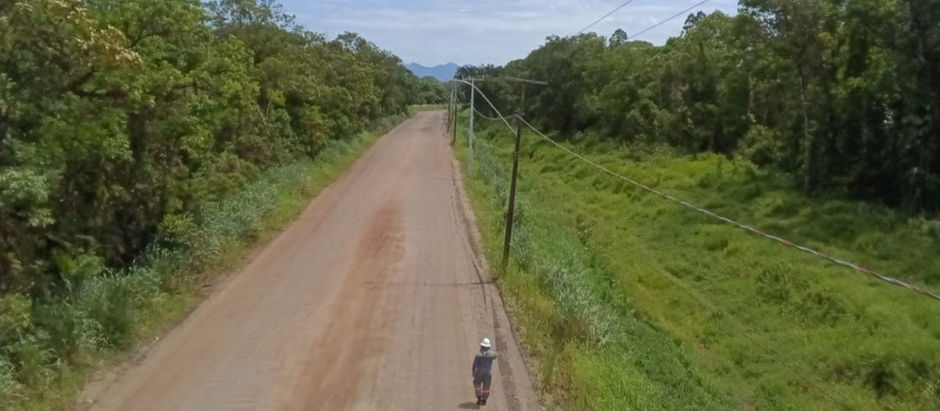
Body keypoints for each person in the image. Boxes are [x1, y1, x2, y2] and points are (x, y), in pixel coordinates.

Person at [472, 338, 497, 406]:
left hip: (479, 372)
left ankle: (479, 397)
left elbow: (474, 365)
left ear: (481, 346)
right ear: (489, 346)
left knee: (476, 383)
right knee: (486, 387)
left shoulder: (478, 355)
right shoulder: (492, 354)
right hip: (488, 373)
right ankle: (484, 400)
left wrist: (473, 373)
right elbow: (495, 356)